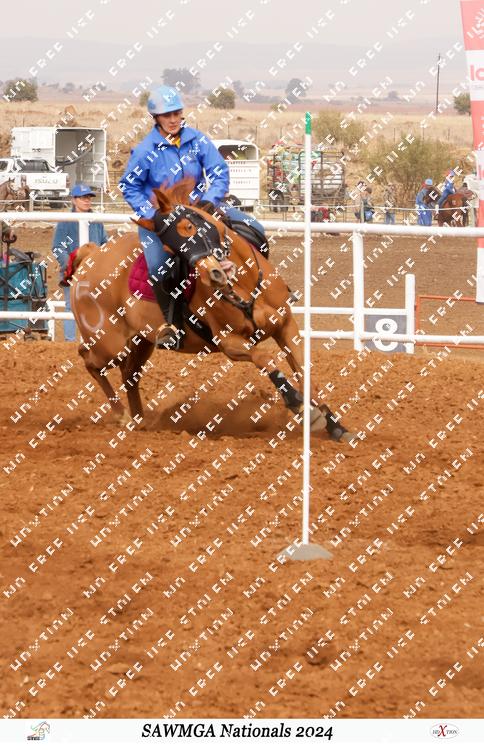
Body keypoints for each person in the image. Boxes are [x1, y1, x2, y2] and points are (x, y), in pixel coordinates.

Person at [119, 85, 266, 350]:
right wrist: (153, 216)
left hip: (201, 212)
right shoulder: (144, 150)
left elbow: (219, 171)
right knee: (159, 267)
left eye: (176, 113)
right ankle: (172, 325)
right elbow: (129, 186)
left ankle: (261, 295)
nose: (173, 119)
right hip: (163, 220)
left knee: (254, 227)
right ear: (156, 118)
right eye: (167, 115)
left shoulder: (198, 140)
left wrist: (210, 200)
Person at [52, 184, 108, 342]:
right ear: (74, 200)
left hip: (94, 272)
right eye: (83, 198)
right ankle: (70, 342)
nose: (87, 200)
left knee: (95, 305)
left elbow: (105, 243)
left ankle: (94, 341)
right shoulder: (65, 222)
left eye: (89, 197)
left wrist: (101, 263)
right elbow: (57, 247)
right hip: (72, 273)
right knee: (71, 306)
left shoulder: (96, 220)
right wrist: (71, 266)